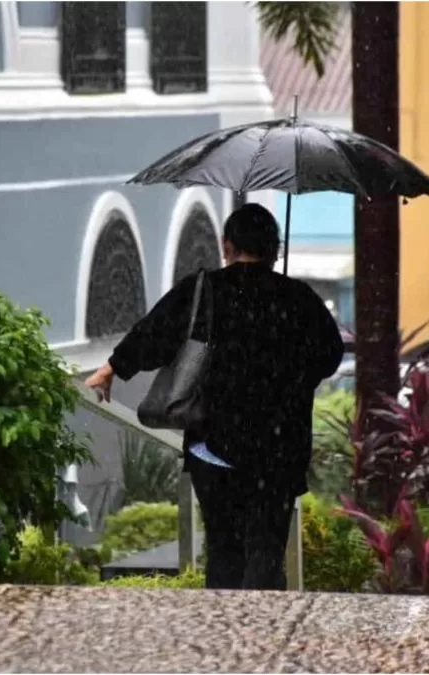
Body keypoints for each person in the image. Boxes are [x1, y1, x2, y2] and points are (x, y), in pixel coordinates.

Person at [84, 203, 344, 590]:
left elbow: (154, 335)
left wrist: (113, 368)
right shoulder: (298, 297)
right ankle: (264, 631)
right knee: (266, 551)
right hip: (278, 451)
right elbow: (330, 356)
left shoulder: (203, 289)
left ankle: (225, 634)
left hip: (213, 446)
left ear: (227, 245)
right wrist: (289, 379)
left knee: (224, 549)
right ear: (276, 250)